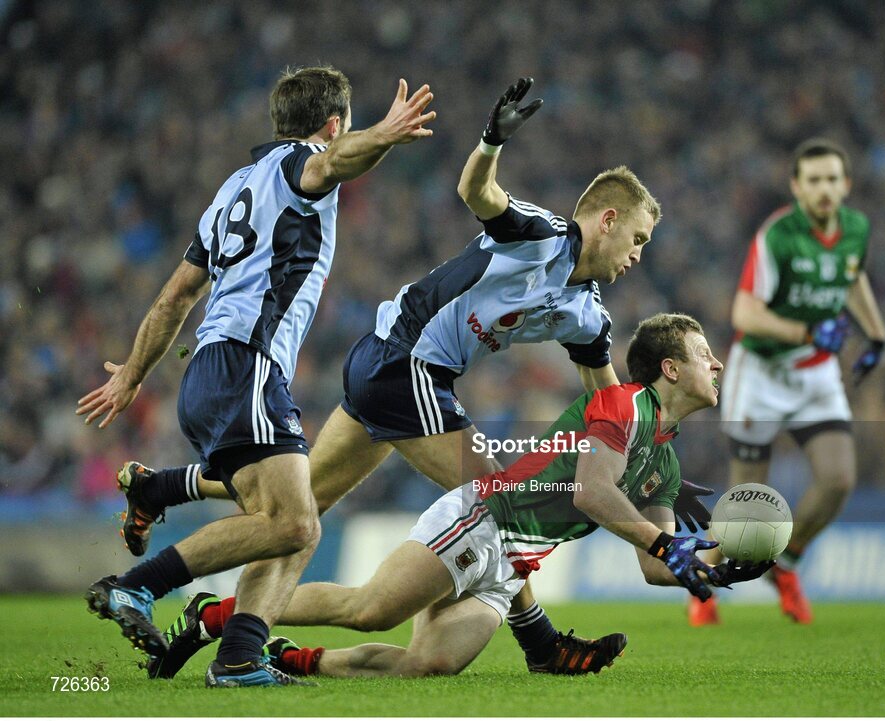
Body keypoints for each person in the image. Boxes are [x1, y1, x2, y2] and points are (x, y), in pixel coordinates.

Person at [123, 77, 661, 678]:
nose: (637, 254)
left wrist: (644, 462)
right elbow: (475, 190)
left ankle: (217, 608)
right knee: (498, 500)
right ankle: (542, 644)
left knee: (297, 512)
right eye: (637, 238)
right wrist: (491, 140)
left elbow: (611, 406)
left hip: (393, 373)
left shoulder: (588, 317)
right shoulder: (544, 236)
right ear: (607, 220)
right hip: (405, 361)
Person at [151, 313, 774, 679]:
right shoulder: (620, 405)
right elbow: (590, 493)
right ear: (669, 368)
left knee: (429, 665)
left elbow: (650, 564)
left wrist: (718, 567)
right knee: (370, 609)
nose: (717, 365)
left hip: (514, 563)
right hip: (483, 520)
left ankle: (293, 661)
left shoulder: (663, 458)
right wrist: (670, 541)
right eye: (704, 355)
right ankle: (214, 615)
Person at [75, 65, 436, 686]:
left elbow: (173, 298)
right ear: (331, 124)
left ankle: (239, 656)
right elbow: (330, 164)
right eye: (341, 128)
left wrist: (133, 374)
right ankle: (136, 587)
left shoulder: (232, 189)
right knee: (294, 523)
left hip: (212, 371)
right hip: (248, 363)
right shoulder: (302, 163)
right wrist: (383, 133)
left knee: (294, 520)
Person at [694, 139, 885, 626]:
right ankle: (701, 581)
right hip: (760, 373)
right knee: (745, 505)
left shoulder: (856, 229)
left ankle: (785, 563)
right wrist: (805, 330)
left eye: (832, 179)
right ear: (797, 187)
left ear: (845, 185)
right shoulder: (778, 236)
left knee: (838, 479)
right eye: (814, 180)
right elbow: (744, 312)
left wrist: (877, 334)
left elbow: (852, 276)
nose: (825, 189)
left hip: (815, 374)